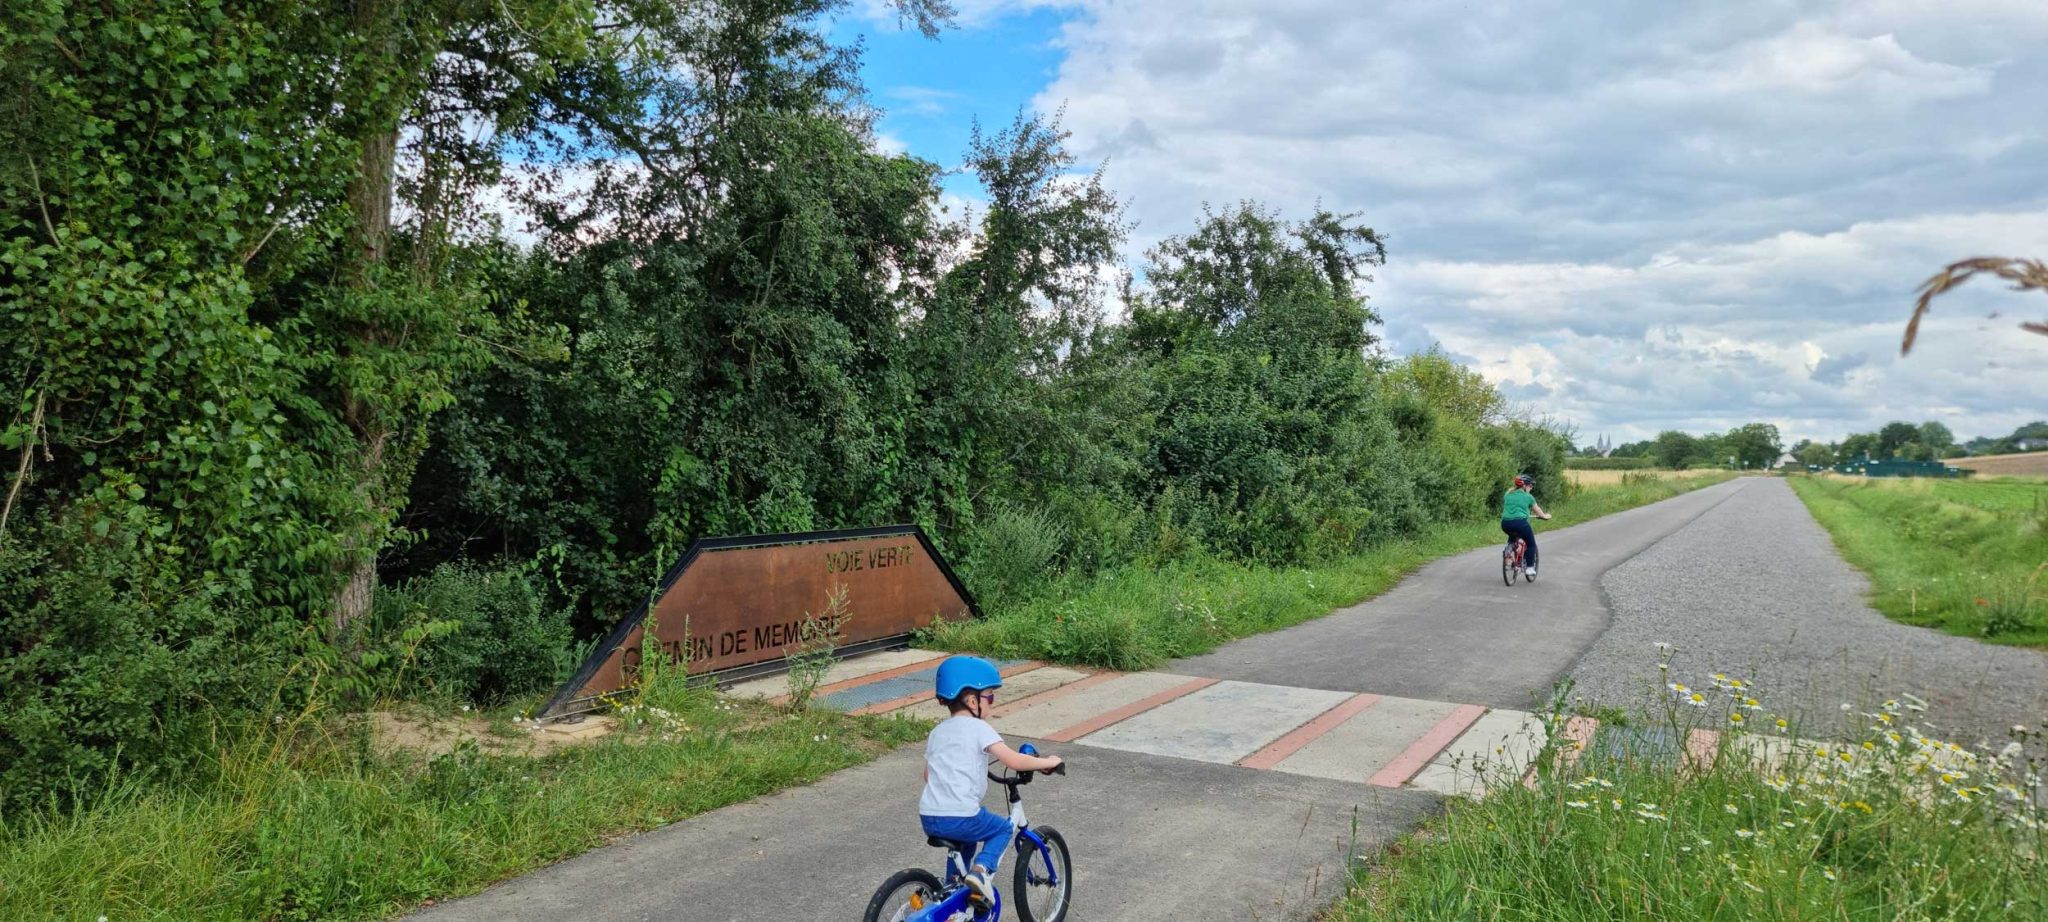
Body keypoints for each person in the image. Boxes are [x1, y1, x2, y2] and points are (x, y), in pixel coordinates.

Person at [920, 655, 1063, 902]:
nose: (991, 704)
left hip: (929, 815)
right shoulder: (979, 729)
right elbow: (1014, 761)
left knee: (966, 840)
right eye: (990, 697)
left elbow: (928, 774)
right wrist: (1049, 762)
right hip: (961, 814)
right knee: (1001, 829)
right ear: (971, 700)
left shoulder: (938, 732)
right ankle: (981, 871)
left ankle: (952, 893)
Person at [1501, 473, 1552, 579]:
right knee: (1531, 544)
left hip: (1505, 523)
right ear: (1524, 486)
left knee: (1513, 536)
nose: (1531, 488)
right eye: (1530, 485)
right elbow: (1537, 510)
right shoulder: (1528, 496)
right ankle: (1529, 568)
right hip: (1521, 523)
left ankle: (1509, 549)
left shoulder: (1508, 493)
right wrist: (1545, 516)